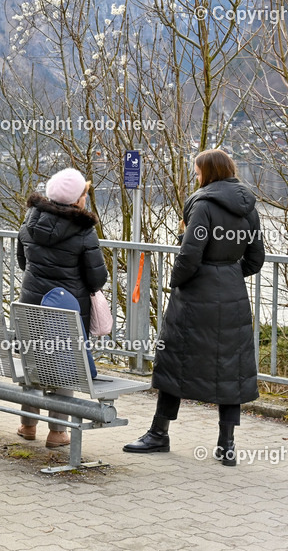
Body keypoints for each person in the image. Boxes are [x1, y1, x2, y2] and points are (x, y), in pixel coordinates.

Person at [124, 150, 264, 466]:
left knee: (175, 360)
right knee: (232, 369)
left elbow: (190, 255)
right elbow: (256, 259)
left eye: (198, 170)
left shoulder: (202, 204)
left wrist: (177, 282)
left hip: (194, 298)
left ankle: (158, 434)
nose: (195, 175)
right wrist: (226, 273)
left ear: (209, 172)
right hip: (233, 299)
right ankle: (226, 446)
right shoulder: (250, 209)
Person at [16, 168, 108, 448]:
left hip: (31, 304)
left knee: (34, 360)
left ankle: (27, 425)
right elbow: (97, 277)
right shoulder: (83, 231)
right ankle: (57, 432)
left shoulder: (29, 222)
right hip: (68, 309)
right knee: (65, 366)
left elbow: (23, 263)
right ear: (77, 199)